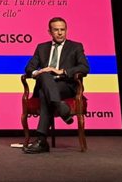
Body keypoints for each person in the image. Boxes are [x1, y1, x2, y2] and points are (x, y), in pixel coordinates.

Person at [23, 16, 90, 154]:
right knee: (45, 78)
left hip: (65, 85)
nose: (60, 33)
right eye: (56, 30)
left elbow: (84, 67)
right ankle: (59, 106)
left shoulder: (76, 47)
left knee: (44, 92)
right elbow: (29, 68)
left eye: (62, 30)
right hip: (47, 86)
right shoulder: (41, 48)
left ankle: (41, 141)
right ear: (50, 32)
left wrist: (61, 71)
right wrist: (40, 72)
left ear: (66, 30)